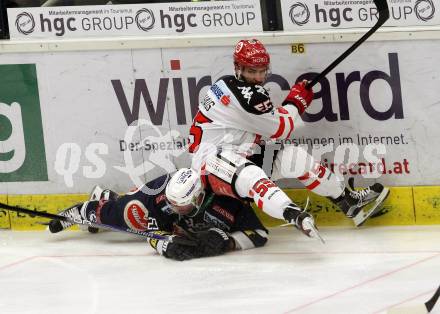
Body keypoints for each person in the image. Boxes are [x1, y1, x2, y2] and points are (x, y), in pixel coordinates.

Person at [187, 38, 390, 234]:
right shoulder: (247, 97)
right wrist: (296, 102)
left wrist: (293, 103)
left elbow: (268, 124)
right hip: (211, 165)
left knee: (295, 158)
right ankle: (293, 215)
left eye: (262, 71)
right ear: (237, 67)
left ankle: (347, 201)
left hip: (239, 153)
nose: (258, 77)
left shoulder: (227, 83)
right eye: (251, 71)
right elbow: (281, 128)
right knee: (252, 175)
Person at [48, 168, 268, 261]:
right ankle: (84, 210)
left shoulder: (227, 201)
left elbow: (260, 233)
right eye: (173, 204)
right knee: (128, 214)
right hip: (154, 196)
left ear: (198, 198)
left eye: (180, 206)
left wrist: (229, 242)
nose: (174, 209)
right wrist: (164, 244)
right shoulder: (163, 198)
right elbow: (153, 232)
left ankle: (109, 196)